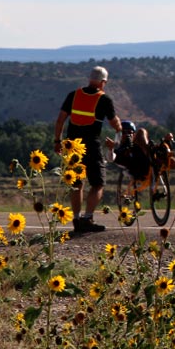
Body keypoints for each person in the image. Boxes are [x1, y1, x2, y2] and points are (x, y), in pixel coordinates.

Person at [53, 66, 122, 233]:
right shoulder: (104, 100)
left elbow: (60, 119)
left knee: (76, 183)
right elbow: (114, 123)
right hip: (91, 145)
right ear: (103, 82)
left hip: (72, 145)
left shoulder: (74, 95)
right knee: (98, 183)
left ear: (89, 79)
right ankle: (88, 218)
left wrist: (57, 141)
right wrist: (120, 130)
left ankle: (76, 219)